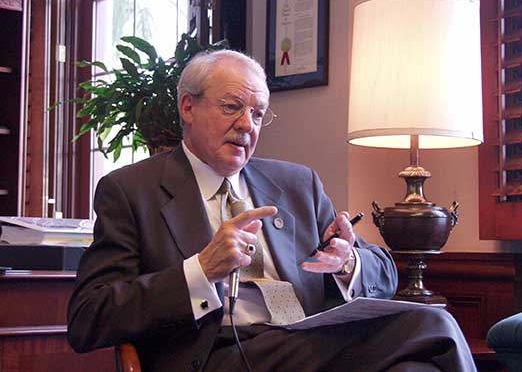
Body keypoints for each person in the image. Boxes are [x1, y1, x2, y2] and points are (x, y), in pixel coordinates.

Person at [67, 49, 476, 372]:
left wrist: (347, 261)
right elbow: (89, 318)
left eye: (258, 114)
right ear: (188, 108)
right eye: (232, 107)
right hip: (217, 354)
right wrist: (200, 270)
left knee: (415, 368)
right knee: (433, 325)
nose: (248, 125)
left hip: (309, 342)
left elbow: (384, 273)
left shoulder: (296, 184)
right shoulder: (130, 190)